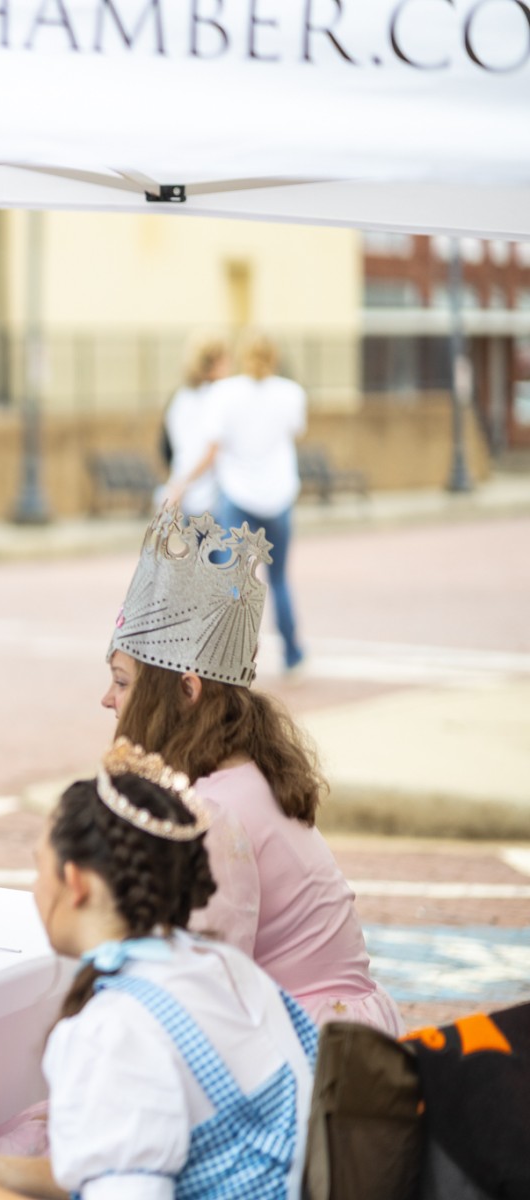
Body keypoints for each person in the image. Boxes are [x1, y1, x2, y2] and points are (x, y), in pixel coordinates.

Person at [0, 741, 317, 1200]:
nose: (36, 888)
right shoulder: (222, 967)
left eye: (40, 869)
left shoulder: (116, 1032)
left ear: (75, 882)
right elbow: (120, 1168)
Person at [105, 506, 402, 1034]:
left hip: (312, 1045)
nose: (108, 699)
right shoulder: (243, 769)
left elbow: (208, 988)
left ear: (188, 689)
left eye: (123, 682)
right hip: (332, 1026)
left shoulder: (215, 810)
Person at [165, 330, 308, 671]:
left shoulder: (225, 394)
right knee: (280, 579)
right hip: (279, 496)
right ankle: (292, 653)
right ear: (275, 358)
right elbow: (296, 431)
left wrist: (181, 484)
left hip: (238, 498)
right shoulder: (292, 393)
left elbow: (212, 449)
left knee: (233, 580)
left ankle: (231, 656)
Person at [159, 331, 227, 517]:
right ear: (217, 362)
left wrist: (179, 485)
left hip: (184, 496)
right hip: (215, 497)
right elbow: (213, 452)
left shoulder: (178, 399)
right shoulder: (222, 396)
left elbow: (167, 449)